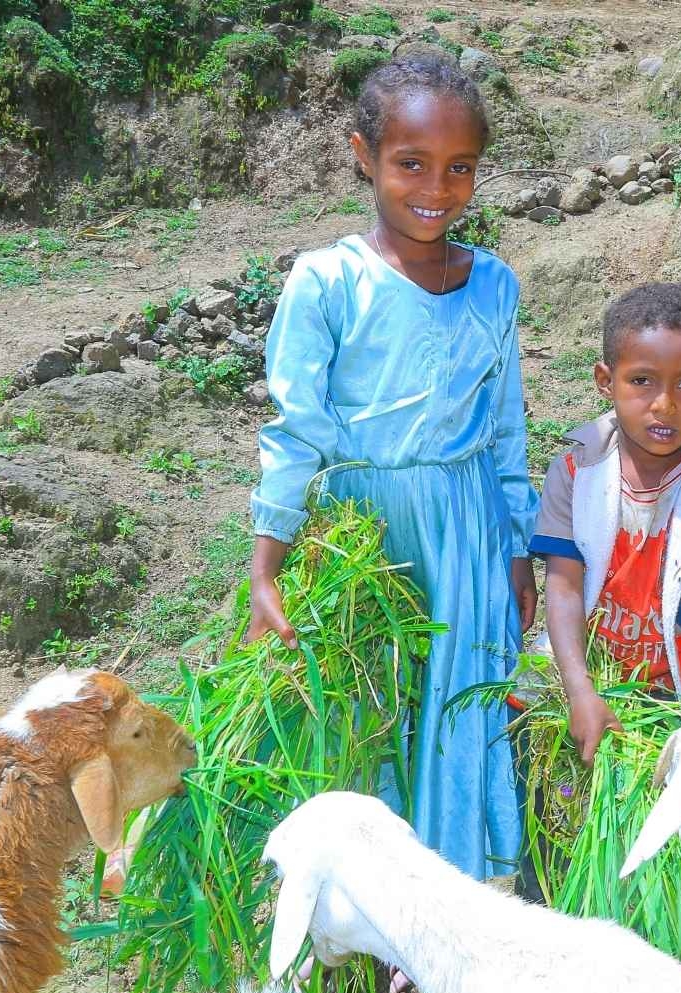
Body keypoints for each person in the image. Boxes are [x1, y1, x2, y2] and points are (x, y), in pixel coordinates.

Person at [245, 57, 537, 886]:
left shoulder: (495, 286)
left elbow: (506, 427)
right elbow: (296, 429)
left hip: (467, 533)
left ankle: (458, 896)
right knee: (369, 711)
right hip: (363, 536)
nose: (435, 188)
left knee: (456, 711)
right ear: (363, 156)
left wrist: (515, 547)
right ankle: (362, 905)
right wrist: (268, 562)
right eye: (411, 163)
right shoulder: (328, 281)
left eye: (460, 168)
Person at [529, 283, 681, 765]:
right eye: (642, 381)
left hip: (671, 697)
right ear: (604, 380)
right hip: (575, 679)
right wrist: (580, 692)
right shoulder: (575, 474)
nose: (664, 404)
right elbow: (564, 590)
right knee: (558, 809)